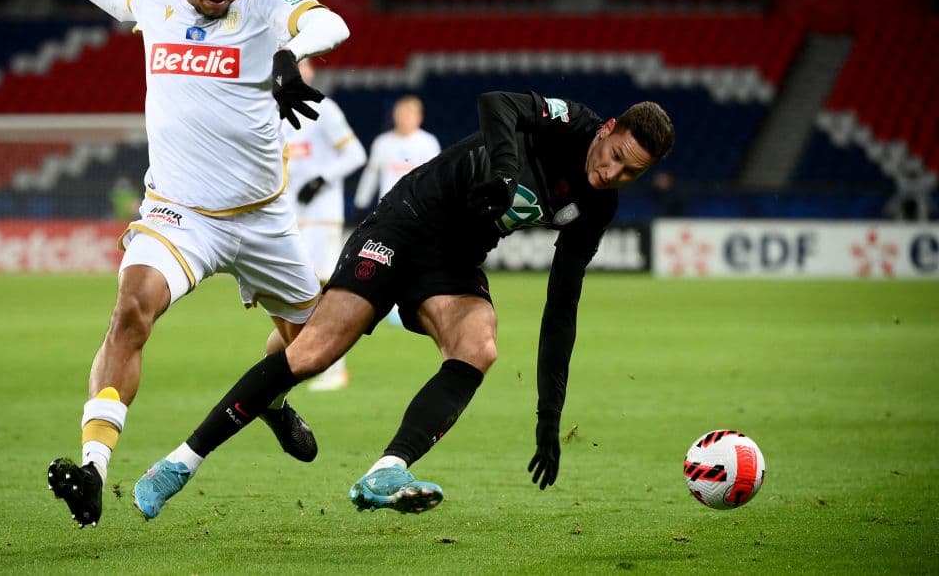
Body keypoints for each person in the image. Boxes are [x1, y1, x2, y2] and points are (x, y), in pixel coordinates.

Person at [131, 90, 674, 519]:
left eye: (631, 174)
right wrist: (508, 174)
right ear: (608, 131)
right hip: (406, 220)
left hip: (454, 261)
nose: (612, 175)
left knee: (478, 344)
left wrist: (549, 414)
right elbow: (497, 103)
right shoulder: (570, 121)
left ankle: (387, 472)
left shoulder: (596, 205)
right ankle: (179, 463)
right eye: (616, 158)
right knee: (316, 351)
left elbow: (562, 307)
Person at [12, 0, 351, 528]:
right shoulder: (157, 3)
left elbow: (333, 22)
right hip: (180, 213)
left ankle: (271, 397)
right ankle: (94, 468)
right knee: (131, 308)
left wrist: (289, 54)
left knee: (319, 346)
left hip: (263, 218)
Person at [283, 58, 367, 390]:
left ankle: (333, 366)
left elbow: (355, 154)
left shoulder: (324, 108)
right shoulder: (273, 109)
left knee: (323, 288)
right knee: (294, 290)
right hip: (288, 216)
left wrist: (320, 179)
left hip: (320, 214)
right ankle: (304, 357)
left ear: (310, 71)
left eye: (299, 63)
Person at [352, 95, 440, 323]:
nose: (404, 119)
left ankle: (419, 303)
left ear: (419, 117)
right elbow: (371, 174)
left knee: (417, 259)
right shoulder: (383, 143)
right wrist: (361, 203)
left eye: (409, 114)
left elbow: (435, 179)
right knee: (387, 258)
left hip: (419, 211)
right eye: (400, 114)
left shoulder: (427, 143)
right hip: (389, 211)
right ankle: (389, 307)